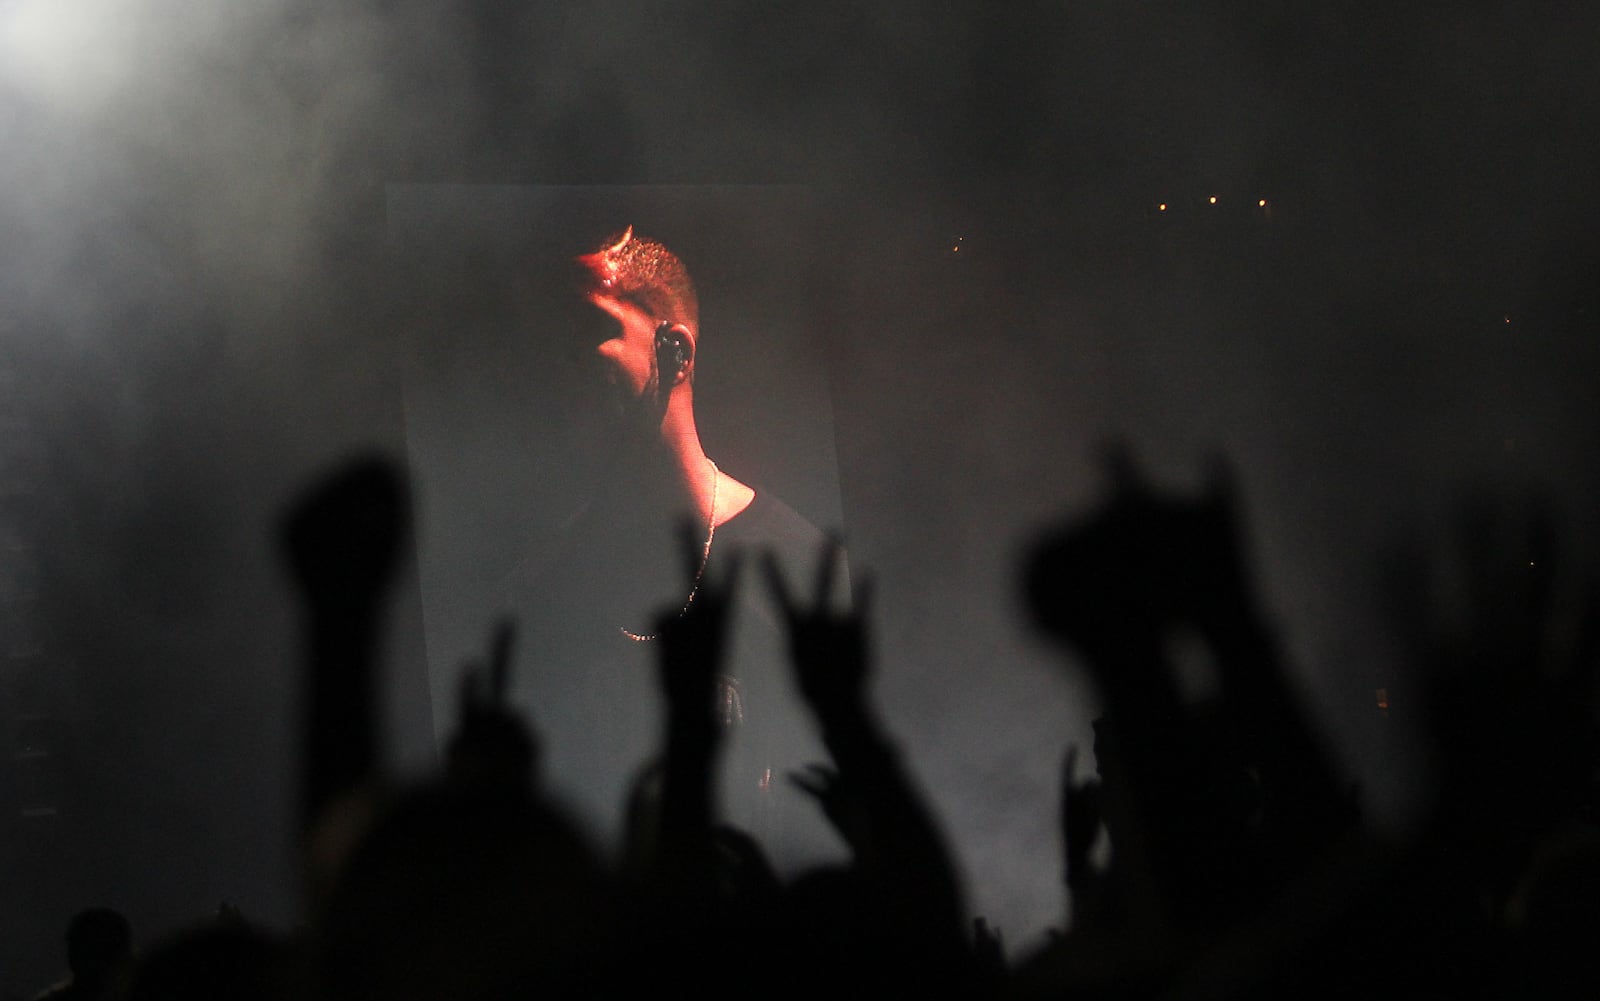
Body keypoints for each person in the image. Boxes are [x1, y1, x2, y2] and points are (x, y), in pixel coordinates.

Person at [507, 227, 846, 872]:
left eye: (588, 333)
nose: (560, 366)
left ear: (674, 352)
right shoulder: (545, 589)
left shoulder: (796, 567)